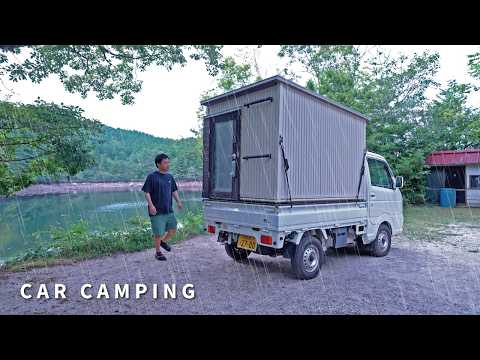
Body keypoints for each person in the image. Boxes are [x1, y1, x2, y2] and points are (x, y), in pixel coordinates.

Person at [142, 153, 183, 261]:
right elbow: (146, 192)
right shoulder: (152, 177)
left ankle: (162, 242)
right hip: (156, 211)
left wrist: (178, 201)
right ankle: (158, 252)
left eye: (168, 162)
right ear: (158, 164)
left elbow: (174, 190)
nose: (167, 164)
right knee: (158, 233)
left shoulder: (169, 177)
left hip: (168, 210)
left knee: (173, 229)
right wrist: (151, 206)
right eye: (165, 163)